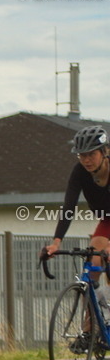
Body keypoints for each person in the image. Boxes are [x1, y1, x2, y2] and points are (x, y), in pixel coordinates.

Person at [44, 125, 110, 298]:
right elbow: (69, 207)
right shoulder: (80, 171)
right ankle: (89, 323)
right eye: (82, 155)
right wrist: (56, 243)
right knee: (92, 263)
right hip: (107, 221)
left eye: (91, 154)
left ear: (104, 152)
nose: (86, 160)